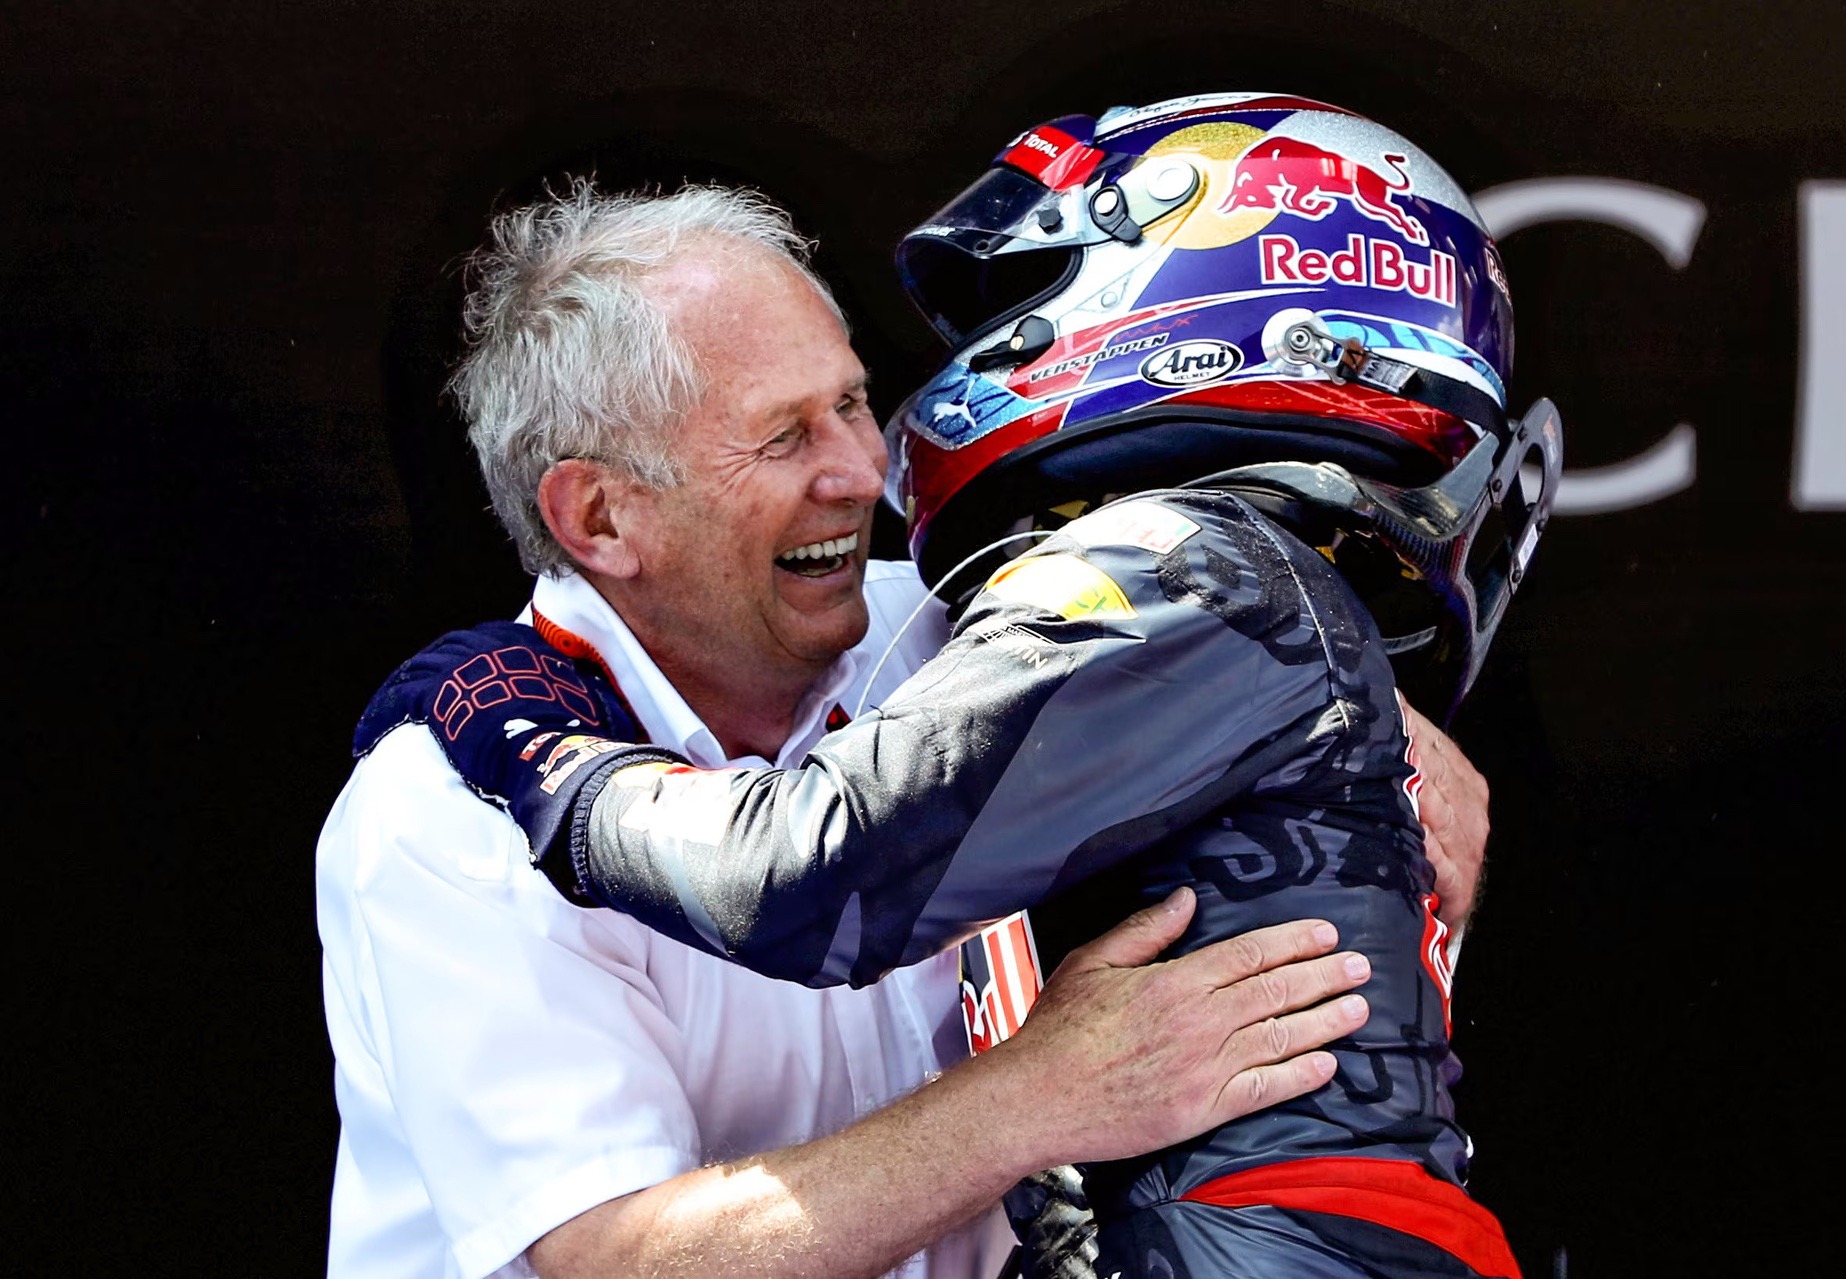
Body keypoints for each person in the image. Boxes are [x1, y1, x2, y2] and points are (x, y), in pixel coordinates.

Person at [359, 94, 1553, 1277]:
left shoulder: (964, 620)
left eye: (849, 402)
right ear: (602, 514)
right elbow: (624, 1264)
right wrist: (1039, 1098)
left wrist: (1379, 744)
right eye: (785, 438)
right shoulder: (441, 809)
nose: (863, 470)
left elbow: (1250, 692)